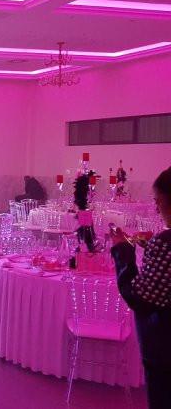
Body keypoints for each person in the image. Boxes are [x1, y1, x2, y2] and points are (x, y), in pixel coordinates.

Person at [110, 166, 171, 408]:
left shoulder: (165, 243)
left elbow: (139, 297)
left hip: (164, 346)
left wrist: (122, 250)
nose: (156, 207)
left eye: (158, 200)